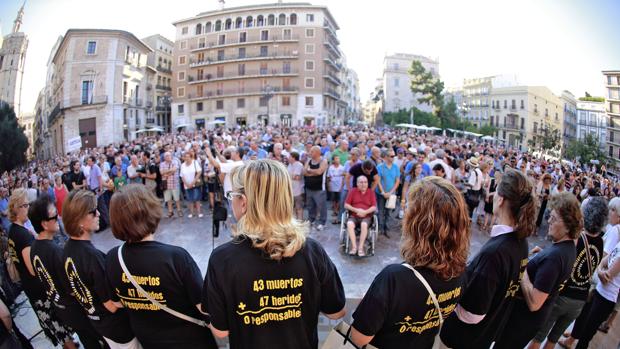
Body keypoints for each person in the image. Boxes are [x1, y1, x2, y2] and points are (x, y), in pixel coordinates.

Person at [202, 160, 346, 349]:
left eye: (232, 196)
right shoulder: (312, 251)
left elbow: (221, 331)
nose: (232, 201)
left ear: (244, 202)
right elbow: (336, 312)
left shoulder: (222, 259)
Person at [350, 177, 470, 348]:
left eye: (408, 208)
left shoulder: (394, 279)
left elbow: (359, 338)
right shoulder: (461, 271)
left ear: (417, 223)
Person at [104, 184, 217, 348]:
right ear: (150, 212)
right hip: (190, 340)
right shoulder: (176, 257)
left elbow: (118, 303)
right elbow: (204, 308)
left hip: (149, 340)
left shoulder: (113, 257)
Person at [440, 169, 537, 348]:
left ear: (500, 199)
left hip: (462, 339)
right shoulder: (521, 242)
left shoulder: (495, 252)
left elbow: (472, 313)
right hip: (485, 336)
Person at [495, 192, 579, 349]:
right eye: (550, 217)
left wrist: (524, 269)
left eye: (554, 219)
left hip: (522, 321)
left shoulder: (555, 258)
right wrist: (542, 257)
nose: (548, 221)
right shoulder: (568, 248)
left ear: (568, 225)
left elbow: (534, 303)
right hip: (531, 321)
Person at [61, 190, 139, 348]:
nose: (98, 213)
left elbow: (74, 290)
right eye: (92, 211)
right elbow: (111, 304)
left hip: (99, 323)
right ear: (79, 220)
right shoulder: (91, 256)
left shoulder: (67, 250)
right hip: (118, 328)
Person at [28, 195, 104, 348]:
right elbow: (72, 288)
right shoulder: (54, 251)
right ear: (44, 223)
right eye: (54, 217)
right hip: (75, 309)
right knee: (96, 341)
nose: (58, 219)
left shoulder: (34, 248)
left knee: (87, 340)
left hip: (61, 309)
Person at [531, 197, 607, 349]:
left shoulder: (577, 238)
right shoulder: (601, 242)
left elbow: (561, 257)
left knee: (538, 338)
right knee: (552, 340)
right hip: (579, 301)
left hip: (563, 296)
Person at [8, 189, 76, 349]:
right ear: (17, 209)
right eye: (26, 205)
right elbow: (33, 268)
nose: (29, 208)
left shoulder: (13, 231)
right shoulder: (23, 236)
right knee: (59, 326)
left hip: (30, 288)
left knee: (57, 327)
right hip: (39, 290)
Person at [344, 176, 377, 256]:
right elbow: (346, 205)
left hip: (366, 217)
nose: (363, 184)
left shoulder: (371, 192)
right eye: (361, 182)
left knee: (364, 224)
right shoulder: (353, 191)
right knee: (349, 224)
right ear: (357, 183)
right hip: (354, 216)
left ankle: (361, 248)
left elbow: (374, 207)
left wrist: (365, 212)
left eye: (365, 182)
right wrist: (357, 210)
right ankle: (354, 247)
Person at [376, 149, 400, 237]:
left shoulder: (395, 167)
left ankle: (387, 228)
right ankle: (380, 228)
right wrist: (383, 192)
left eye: (394, 156)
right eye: (391, 156)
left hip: (391, 193)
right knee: (381, 211)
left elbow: (397, 181)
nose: (393, 158)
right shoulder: (379, 167)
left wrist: (390, 192)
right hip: (380, 193)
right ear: (386, 157)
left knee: (389, 211)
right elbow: (378, 181)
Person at [304, 146, 328, 231]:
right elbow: (304, 172)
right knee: (310, 206)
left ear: (317, 152)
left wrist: (309, 170)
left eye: (312, 152)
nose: (310, 153)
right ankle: (311, 220)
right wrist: (313, 172)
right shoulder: (309, 160)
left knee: (321, 206)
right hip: (309, 188)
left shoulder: (323, 161)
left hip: (319, 189)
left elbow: (320, 171)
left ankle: (322, 223)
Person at [160, 152, 183, 218]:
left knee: (177, 198)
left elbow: (174, 170)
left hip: (174, 183)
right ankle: (170, 211)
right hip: (166, 184)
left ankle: (179, 210)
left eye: (169, 155)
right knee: (168, 199)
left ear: (171, 156)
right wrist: (170, 171)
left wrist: (166, 173)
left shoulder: (175, 162)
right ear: (164, 157)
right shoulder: (162, 164)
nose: (168, 157)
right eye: (166, 156)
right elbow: (161, 172)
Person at [180, 152, 203, 218]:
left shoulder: (195, 162)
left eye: (188, 157)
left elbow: (199, 172)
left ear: (191, 157)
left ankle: (199, 212)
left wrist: (193, 182)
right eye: (185, 157)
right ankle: (191, 213)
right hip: (186, 185)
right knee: (190, 199)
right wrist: (186, 183)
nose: (186, 158)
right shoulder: (182, 165)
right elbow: (182, 176)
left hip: (195, 184)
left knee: (197, 198)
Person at [326, 155, 345, 223]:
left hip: (339, 185)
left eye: (338, 158)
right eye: (336, 158)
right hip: (332, 185)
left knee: (339, 199)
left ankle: (337, 210)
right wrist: (328, 185)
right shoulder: (331, 167)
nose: (337, 160)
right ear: (333, 160)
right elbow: (328, 177)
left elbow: (343, 178)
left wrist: (341, 186)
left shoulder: (342, 167)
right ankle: (334, 210)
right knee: (333, 199)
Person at [287, 151, 305, 221]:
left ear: (293, 158)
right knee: (292, 208)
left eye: (290, 157)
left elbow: (297, 177)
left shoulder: (299, 165)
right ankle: (294, 223)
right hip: (290, 190)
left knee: (299, 207)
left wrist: (287, 176)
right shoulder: (290, 165)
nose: (288, 158)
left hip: (298, 190)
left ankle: (300, 222)